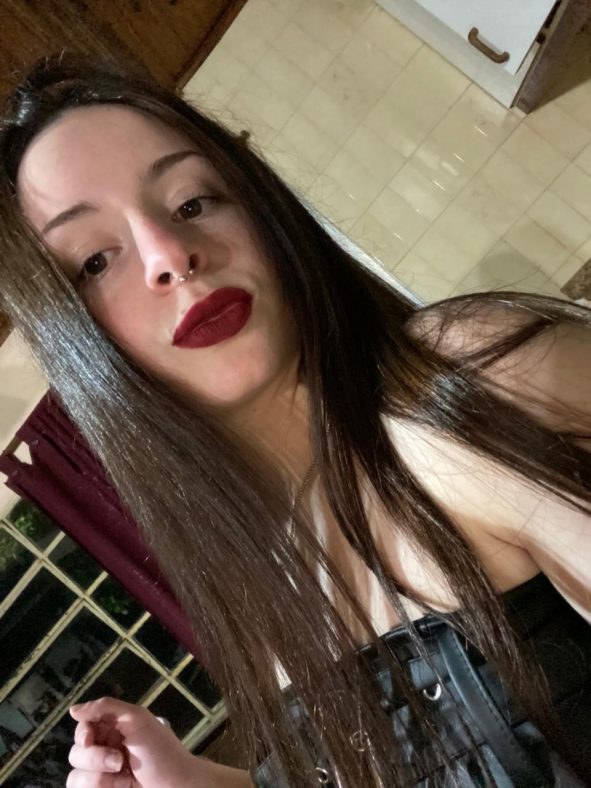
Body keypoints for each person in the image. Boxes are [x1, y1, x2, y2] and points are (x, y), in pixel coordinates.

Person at [0, 51, 590, 788]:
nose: (170, 255)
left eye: (193, 201)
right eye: (94, 261)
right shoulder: (265, 581)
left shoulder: (472, 384)